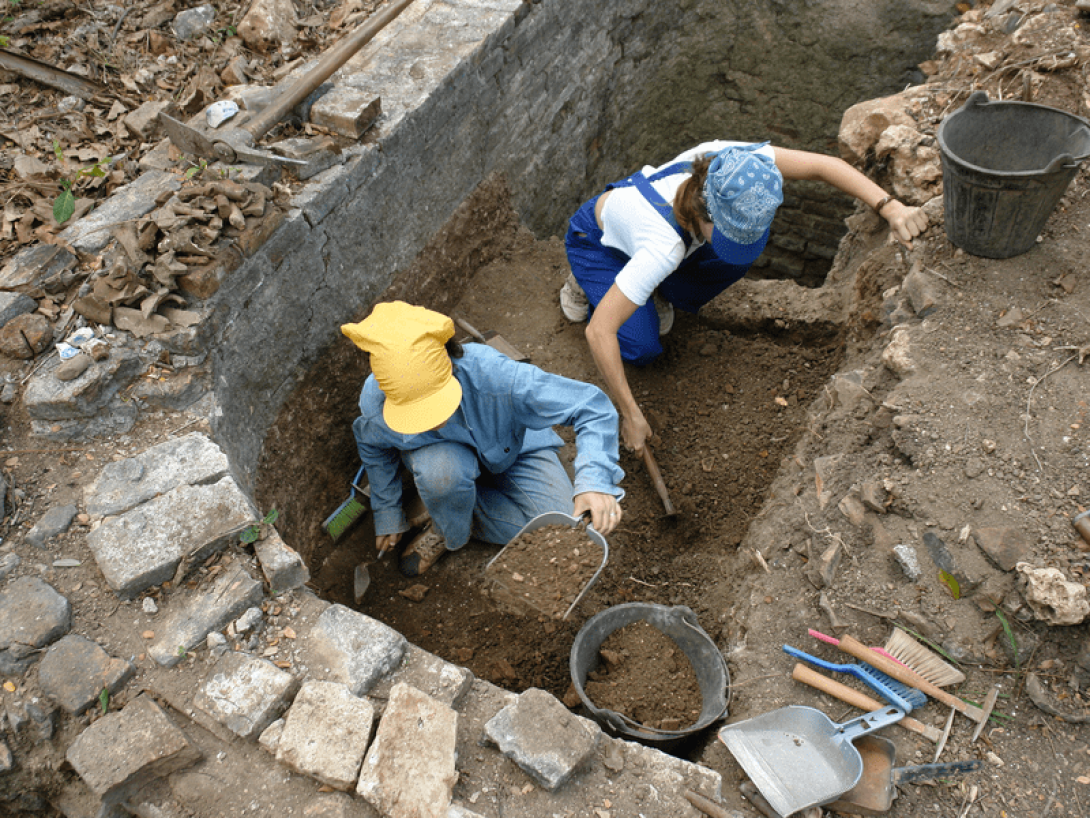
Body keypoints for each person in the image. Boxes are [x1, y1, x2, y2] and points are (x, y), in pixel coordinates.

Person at [560, 140, 930, 456]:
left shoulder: (736, 168)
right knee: (643, 346)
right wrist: (631, 414)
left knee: (730, 260)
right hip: (596, 242)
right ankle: (584, 282)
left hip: (644, 234)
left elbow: (821, 165)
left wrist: (890, 206)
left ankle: (648, 289)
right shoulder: (664, 247)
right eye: (726, 232)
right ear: (704, 214)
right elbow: (599, 333)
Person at [342, 301, 625, 577]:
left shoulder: (496, 377)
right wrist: (387, 509)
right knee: (440, 475)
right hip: (444, 464)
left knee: (562, 526)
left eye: (435, 405)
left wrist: (595, 481)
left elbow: (591, 406)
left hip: (514, 450)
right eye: (417, 413)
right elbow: (372, 445)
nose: (430, 420)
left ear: (450, 368)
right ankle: (446, 523)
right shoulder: (378, 405)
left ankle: (443, 508)